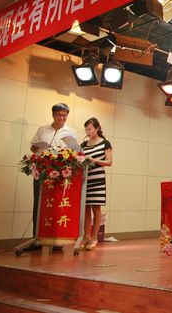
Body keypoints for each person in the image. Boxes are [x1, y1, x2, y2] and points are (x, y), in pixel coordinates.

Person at [29, 103, 78, 251]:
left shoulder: (71, 131)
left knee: (58, 205)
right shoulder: (42, 130)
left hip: (60, 173)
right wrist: (36, 147)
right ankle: (36, 238)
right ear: (53, 115)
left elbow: (74, 152)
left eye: (64, 115)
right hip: (43, 171)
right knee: (39, 204)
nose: (61, 118)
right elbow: (33, 148)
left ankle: (57, 241)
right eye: (58, 115)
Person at [80, 117, 113, 251]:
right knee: (86, 208)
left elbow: (109, 162)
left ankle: (94, 237)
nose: (87, 132)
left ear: (97, 128)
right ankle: (86, 236)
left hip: (98, 178)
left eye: (90, 129)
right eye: (86, 130)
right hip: (85, 179)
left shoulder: (105, 143)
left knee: (96, 207)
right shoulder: (83, 145)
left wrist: (93, 160)